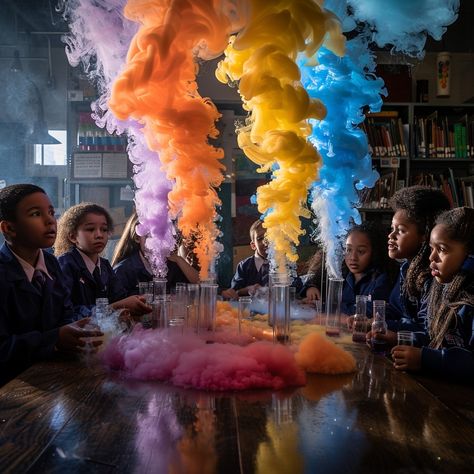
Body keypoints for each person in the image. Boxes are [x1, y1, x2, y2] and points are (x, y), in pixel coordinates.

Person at [0, 184, 102, 385]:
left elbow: (65, 315)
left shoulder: (51, 264)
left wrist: (97, 320)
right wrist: (54, 339)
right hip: (12, 390)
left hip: (52, 379)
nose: (50, 221)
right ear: (8, 228)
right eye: (36, 214)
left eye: (51, 212)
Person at [391, 207, 474, 382]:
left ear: (470, 256)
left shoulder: (469, 300)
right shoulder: (440, 288)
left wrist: (425, 359)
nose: (432, 258)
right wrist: (402, 340)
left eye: (442, 249)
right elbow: (435, 338)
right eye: (431, 249)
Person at [369, 186, 451, 347]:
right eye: (392, 229)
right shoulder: (407, 268)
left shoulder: (434, 276)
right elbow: (395, 308)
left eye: (400, 230)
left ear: (425, 235)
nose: (391, 236)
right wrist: (373, 321)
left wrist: (394, 334)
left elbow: (429, 332)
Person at [54, 203, 151, 317]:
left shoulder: (104, 266)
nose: (99, 235)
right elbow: (66, 313)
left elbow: (119, 297)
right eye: (90, 229)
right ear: (73, 236)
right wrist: (117, 307)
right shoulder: (65, 265)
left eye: (104, 229)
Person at [301, 222, 396, 316]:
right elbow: (301, 281)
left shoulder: (381, 279)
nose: (353, 257)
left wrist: (324, 306)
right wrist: (311, 287)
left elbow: (369, 311)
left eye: (361, 251)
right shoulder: (340, 272)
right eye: (348, 250)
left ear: (375, 252)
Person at [111, 211, 199, 295]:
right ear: (137, 238)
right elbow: (116, 305)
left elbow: (200, 286)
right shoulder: (123, 271)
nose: (157, 242)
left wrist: (178, 259)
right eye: (150, 236)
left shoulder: (172, 265)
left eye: (162, 235)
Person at [229, 219, 270, 297]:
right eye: (260, 238)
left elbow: (296, 290)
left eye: (269, 237)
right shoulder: (244, 266)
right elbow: (234, 292)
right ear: (253, 245)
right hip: (249, 308)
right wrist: (248, 289)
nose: (266, 242)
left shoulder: (282, 265)